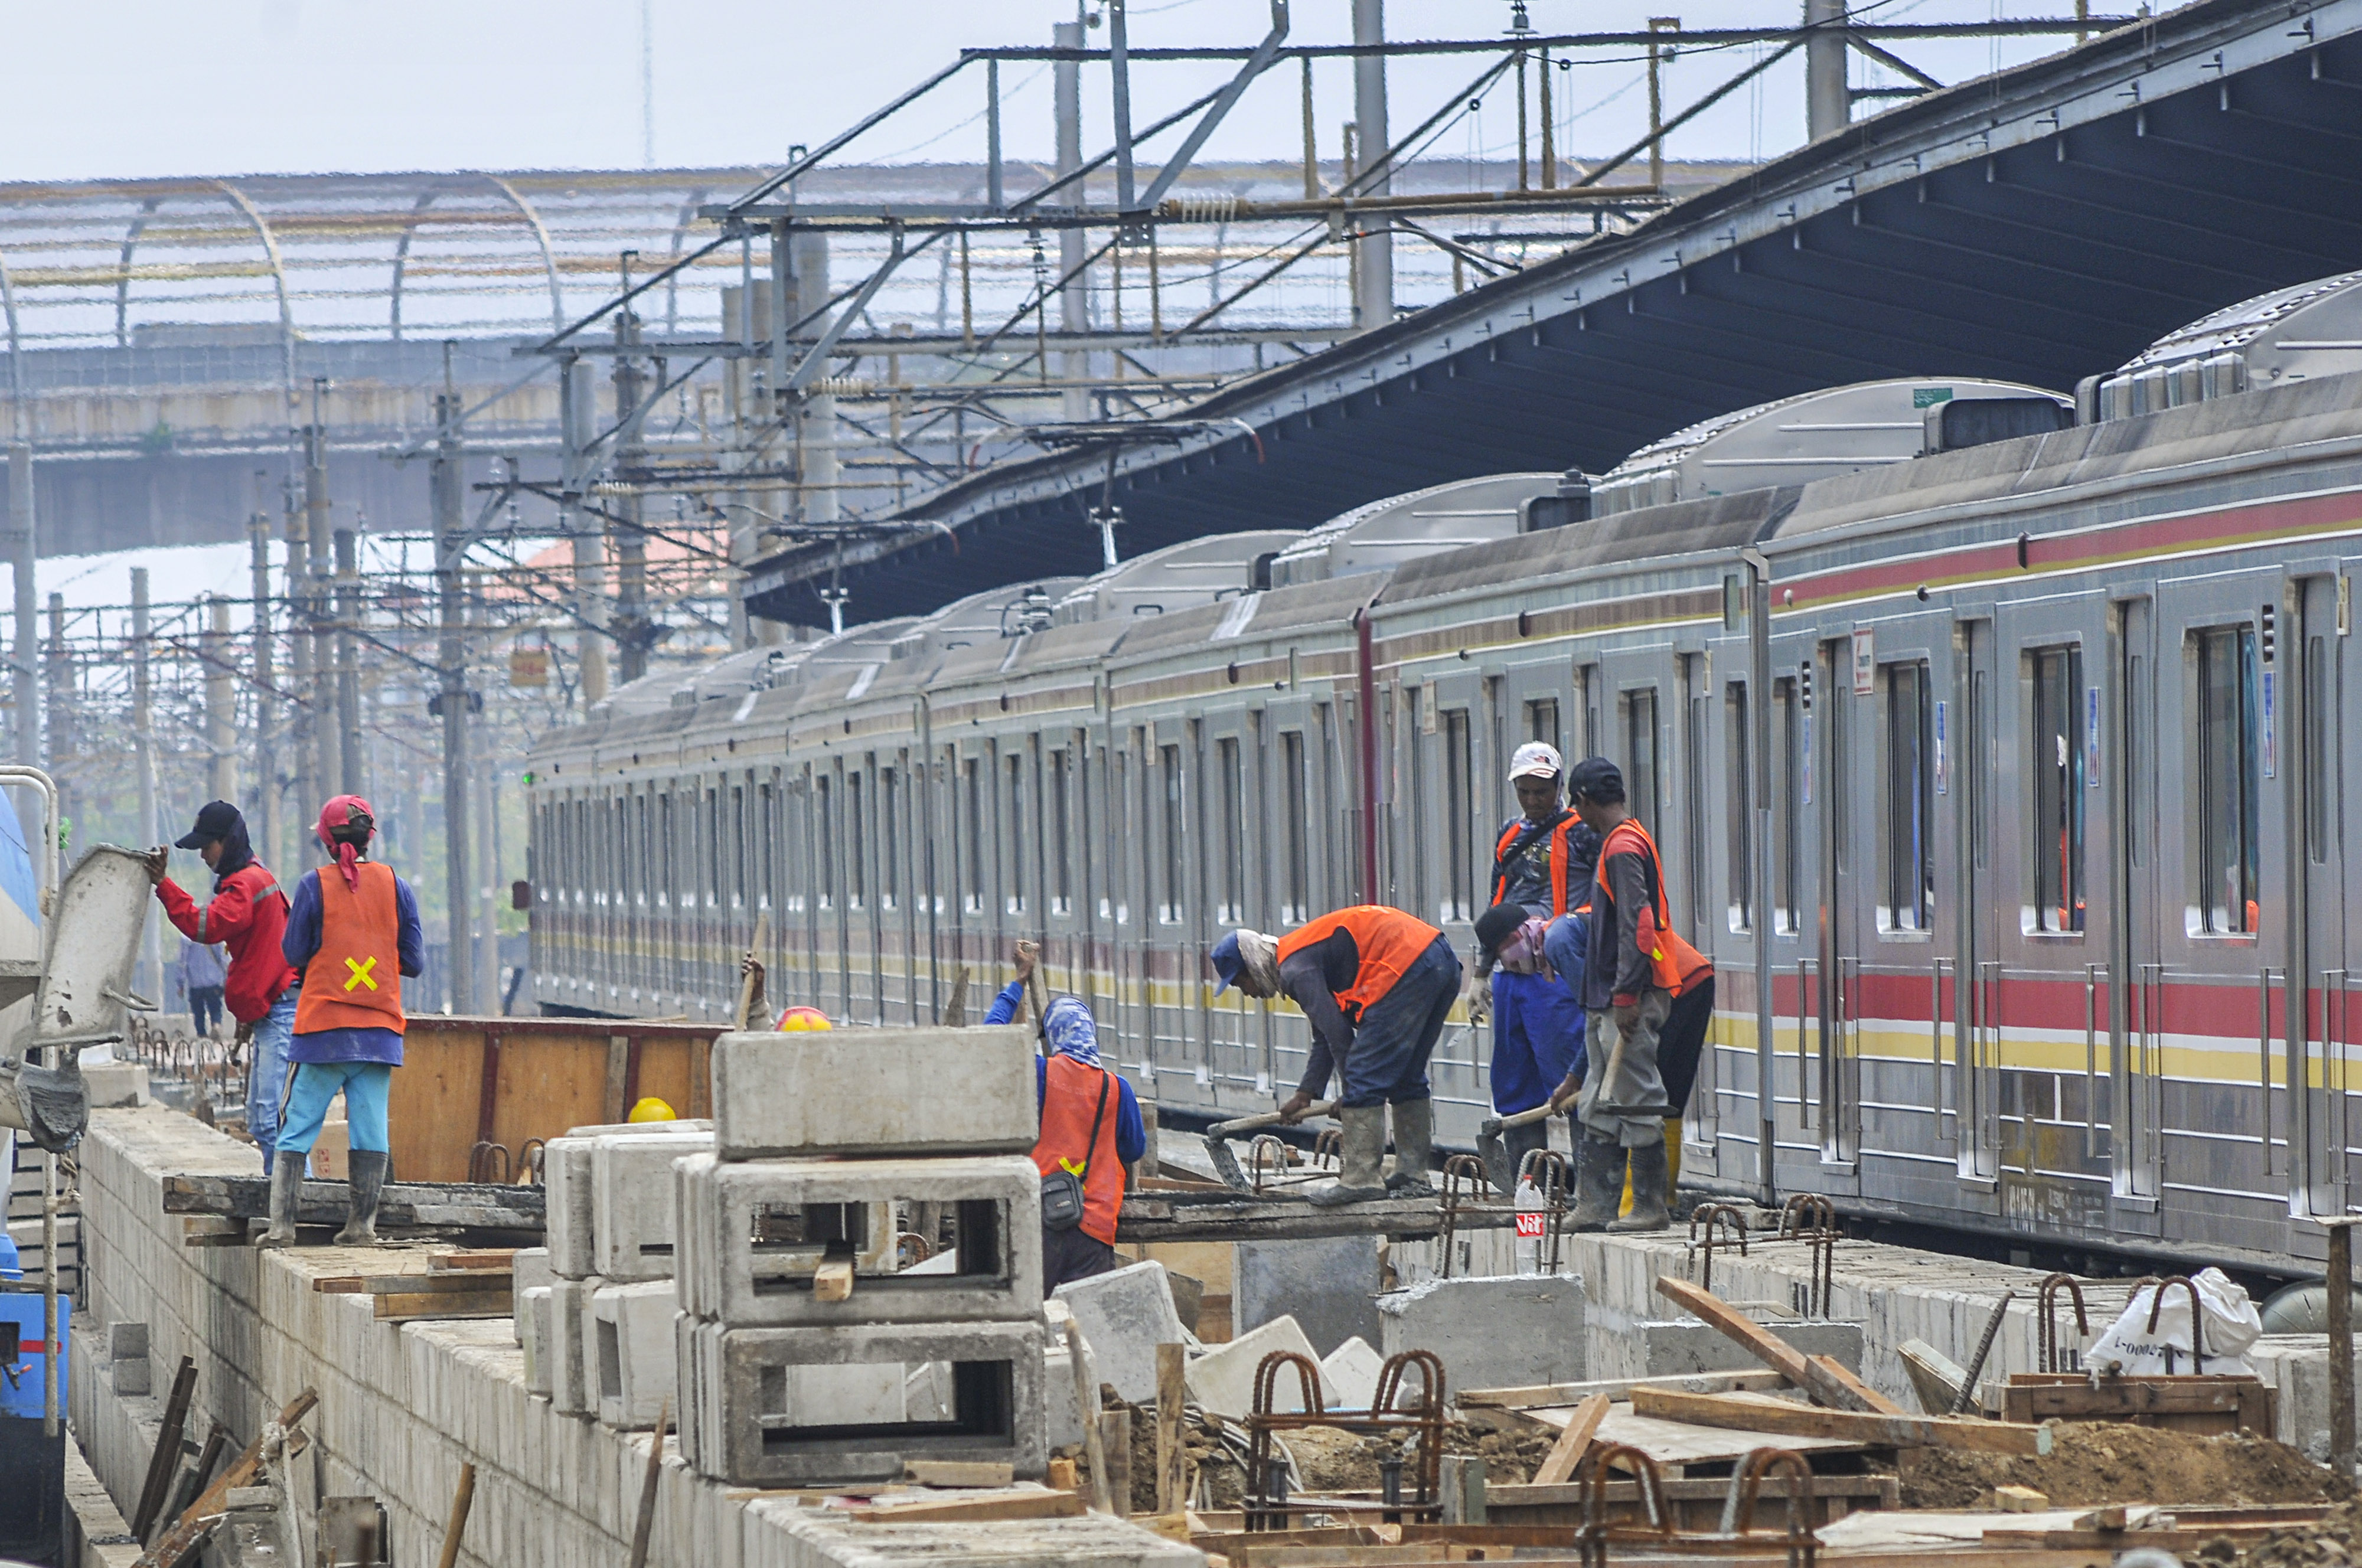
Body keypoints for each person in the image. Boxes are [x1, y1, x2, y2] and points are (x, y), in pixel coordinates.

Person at [1546, 758, 1709, 1233]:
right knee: (1599, 1099)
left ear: (1583, 801)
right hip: (1613, 996)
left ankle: (1649, 1205)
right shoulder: (1629, 839)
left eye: (1577, 806)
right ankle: (1596, 1204)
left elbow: (1639, 924)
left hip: (1631, 995)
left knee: (1636, 1096)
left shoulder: (1620, 848)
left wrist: (1627, 994)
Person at [259, 796, 424, 1249]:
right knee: (371, 1129)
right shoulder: (398, 887)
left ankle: (282, 1227)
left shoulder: (313, 886)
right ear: (371, 837)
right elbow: (414, 960)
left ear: (327, 842)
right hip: (379, 1033)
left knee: (296, 1126)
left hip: (322, 1033)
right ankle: (361, 1227)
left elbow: (293, 954)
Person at [1213, 906, 1460, 1207]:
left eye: (1240, 983)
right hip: (1440, 960)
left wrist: (1352, 1094)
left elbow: (1340, 1035)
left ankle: (1361, 1180)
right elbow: (1325, 1033)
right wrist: (1306, 1094)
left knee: (1364, 1070)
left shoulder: (1294, 970)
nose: (1247, 993)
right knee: (1405, 1073)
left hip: (1405, 964)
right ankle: (1413, 1174)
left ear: (1252, 966)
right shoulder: (1298, 958)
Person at [1467, 741, 1594, 1194]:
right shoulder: (1510, 834)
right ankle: (1530, 1188)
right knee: (1514, 1080)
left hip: (1553, 977)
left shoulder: (1583, 833)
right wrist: (1481, 972)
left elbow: (1604, 896)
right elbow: (1496, 900)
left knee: (1570, 1077)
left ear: (1559, 787)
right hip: (1511, 980)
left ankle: (1589, 1189)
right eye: (1525, 791)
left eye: (1541, 790)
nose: (1533, 800)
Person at [148, 801, 298, 1174]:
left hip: (279, 1012)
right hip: (271, 1011)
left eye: (207, 846)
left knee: (271, 1122)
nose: (202, 855)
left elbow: (205, 926)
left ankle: (295, 1204)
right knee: (267, 1120)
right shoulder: (255, 878)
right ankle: (286, 1201)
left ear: (228, 842)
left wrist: (164, 885)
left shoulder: (247, 886)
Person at [1023, 990, 1146, 1289]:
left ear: (1054, 1036)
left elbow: (991, 1045)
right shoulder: (1118, 1088)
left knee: (1036, 1317)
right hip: (1094, 1226)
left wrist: (1018, 984)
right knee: (1090, 1321)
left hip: (1042, 1217)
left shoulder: (1040, 1073)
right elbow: (1134, 1149)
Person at [180, 936, 227, 1040]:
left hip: (195, 984)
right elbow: (224, 959)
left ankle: (202, 1036)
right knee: (215, 1009)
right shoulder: (217, 935)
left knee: (198, 1012)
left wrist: (181, 983)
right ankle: (216, 1025)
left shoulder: (186, 937)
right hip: (214, 982)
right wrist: (226, 978)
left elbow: (182, 962)